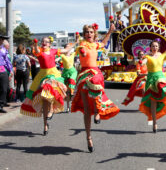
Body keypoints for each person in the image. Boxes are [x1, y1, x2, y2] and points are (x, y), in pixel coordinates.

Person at [71, 23, 120, 152]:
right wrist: (80, 50)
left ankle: (97, 112)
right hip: (84, 74)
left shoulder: (95, 45)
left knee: (96, 84)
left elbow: (103, 43)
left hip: (95, 73)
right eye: (87, 32)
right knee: (87, 109)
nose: (89, 34)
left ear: (94, 34)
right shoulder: (82, 45)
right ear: (84, 34)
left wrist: (110, 31)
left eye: (91, 32)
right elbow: (80, 51)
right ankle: (88, 137)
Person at [20, 36, 75, 136]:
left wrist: (76, 41)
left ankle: (51, 109)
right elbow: (36, 50)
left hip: (53, 75)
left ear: (49, 44)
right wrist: (36, 45)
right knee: (44, 100)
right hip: (42, 75)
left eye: (46, 42)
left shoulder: (54, 51)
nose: (44, 43)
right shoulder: (39, 51)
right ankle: (45, 124)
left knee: (52, 90)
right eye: (43, 42)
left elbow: (67, 49)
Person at [61, 45, 78, 113]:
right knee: (67, 92)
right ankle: (68, 107)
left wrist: (77, 41)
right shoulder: (62, 56)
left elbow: (79, 49)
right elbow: (55, 59)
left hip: (72, 72)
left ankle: (73, 93)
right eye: (67, 47)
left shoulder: (73, 54)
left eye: (69, 47)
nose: (68, 48)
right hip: (65, 73)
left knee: (71, 81)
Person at [0, 35, 13, 113]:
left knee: (4, 89)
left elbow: (7, 61)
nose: (1, 41)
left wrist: (10, 70)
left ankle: (1, 106)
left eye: (2, 40)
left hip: (2, 71)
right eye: (0, 40)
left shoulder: (4, 50)